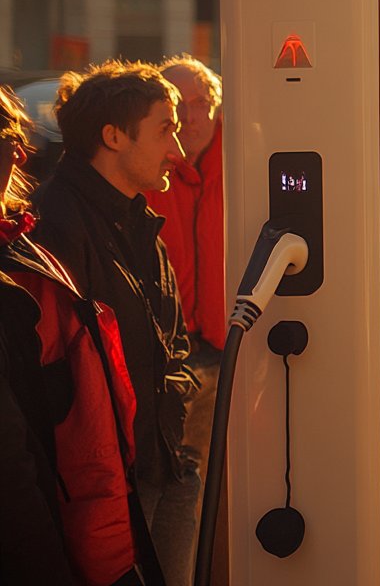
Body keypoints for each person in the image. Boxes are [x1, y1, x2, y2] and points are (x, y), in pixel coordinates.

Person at [33, 61, 196, 586]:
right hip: (108, 487)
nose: (179, 149)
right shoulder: (54, 225)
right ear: (113, 136)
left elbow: (170, 339)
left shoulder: (139, 218)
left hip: (164, 464)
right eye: (165, 130)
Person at [144, 55, 225, 490]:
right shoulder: (146, 168)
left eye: (199, 103)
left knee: (218, 486)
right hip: (164, 357)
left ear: (216, 106)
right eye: (178, 104)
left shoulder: (246, 161)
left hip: (229, 348)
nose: (189, 117)